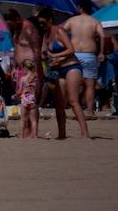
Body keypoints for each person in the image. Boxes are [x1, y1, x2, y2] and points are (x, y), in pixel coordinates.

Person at [40, 7, 78, 139]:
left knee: (73, 101)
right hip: (58, 70)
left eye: (43, 23)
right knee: (59, 103)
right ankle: (62, 134)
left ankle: (85, 133)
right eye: (40, 23)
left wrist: (57, 56)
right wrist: (46, 55)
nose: (41, 25)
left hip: (71, 66)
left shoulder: (59, 31)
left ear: (50, 20)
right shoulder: (46, 35)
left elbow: (71, 49)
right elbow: (45, 54)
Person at [64, 0, 105, 123]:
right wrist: (102, 52)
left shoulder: (72, 20)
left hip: (75, 55)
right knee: (90, 85)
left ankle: (75, 110)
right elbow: (102, 35)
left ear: (80, 8)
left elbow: (61, 32)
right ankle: (90, 111)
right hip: (89, 54)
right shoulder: (94, 21)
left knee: (74, 84)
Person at [17, 58, 39, 139]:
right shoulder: (35, 78)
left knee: (23, 119)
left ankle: (22, 135)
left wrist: (15, 95)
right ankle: (35, 135)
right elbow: (37, 89)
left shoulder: (23, 79)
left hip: (25, 99)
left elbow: (19, 91)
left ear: (25, 68)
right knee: (33, 120)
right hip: (32, 98)